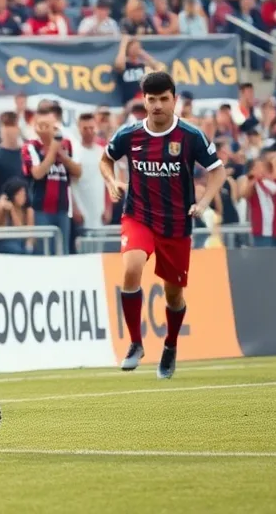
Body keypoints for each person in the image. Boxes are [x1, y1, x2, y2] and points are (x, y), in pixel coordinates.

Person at [100, 71, 227, 379]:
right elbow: (105, 160)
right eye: (151, 99)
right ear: (144, 100)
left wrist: (205, 202)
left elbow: (217, 171)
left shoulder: (190, 136)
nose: (157, 105)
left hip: (176, 225)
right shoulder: (129, 135)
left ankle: (170, 345)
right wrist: (111, 181)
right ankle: (135, 343)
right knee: (130, 268)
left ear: (175, 100)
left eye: (163, 99)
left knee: (174, 296)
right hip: (139, 216)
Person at [21, 105, 81, 254]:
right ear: (35, 127)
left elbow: (78, 171)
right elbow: (37, 173)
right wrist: (53, 150)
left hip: (63, 208)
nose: (45, 129)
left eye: (48, 125)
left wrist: (62, 155)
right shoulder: (30, 147)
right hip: (41, 209)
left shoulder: (67, 144)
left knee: (63, 251)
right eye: (41, 125)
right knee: (44, 253)